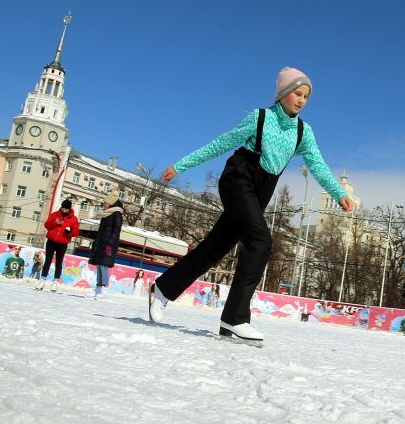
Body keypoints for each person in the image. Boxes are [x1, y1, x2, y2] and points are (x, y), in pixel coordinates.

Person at [148, 67, 353, 346]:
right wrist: (181, 165)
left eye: (306, 96)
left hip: (261, 191)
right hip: (238, 180)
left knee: (214, 248)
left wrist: (338, 192)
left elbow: (317, 164)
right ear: (282, 93)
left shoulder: (303, 132)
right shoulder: (259, 118)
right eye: (297, 93)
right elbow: (221, 144)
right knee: (260, 242)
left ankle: (163, 288)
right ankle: (234, 318)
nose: (302, 100)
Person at [87, 189, 124, 300]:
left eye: (105, 202)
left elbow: (116, 230)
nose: (104, 204)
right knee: (99, 265)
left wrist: (110, 243)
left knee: (104, 266)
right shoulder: (106, 215)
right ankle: (98, 289)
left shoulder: (116, 214)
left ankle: (104, 289)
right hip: (101, 243)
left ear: (111, 203)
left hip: (108, 244)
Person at [37, 198, 80, 292]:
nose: (64, 210)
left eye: (66, 209)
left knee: (59, 262)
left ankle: (55, 282)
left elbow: (76, 232)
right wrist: (55, 222)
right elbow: (47, 225)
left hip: (63, 242)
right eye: (63, 208)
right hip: (51, 240)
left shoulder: (73, 219)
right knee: (48, 260)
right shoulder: (55, 214)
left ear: (69, 209)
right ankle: (42, 280)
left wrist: (69, 232)